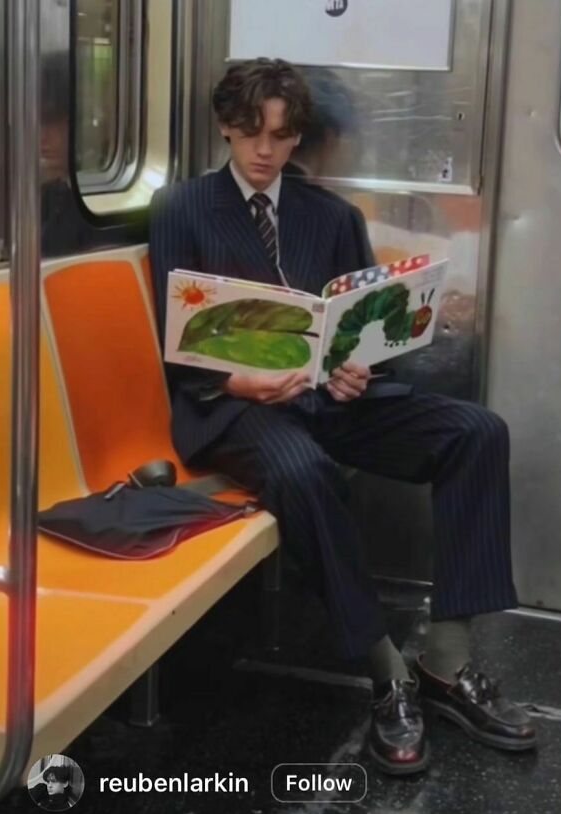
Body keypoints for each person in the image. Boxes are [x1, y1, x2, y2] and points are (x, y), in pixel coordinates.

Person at [150, 57, 536, 775]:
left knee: (478, 432)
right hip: (236, 407)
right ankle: (386, 670)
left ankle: (446, 664)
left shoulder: (330, 216)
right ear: (225, 127)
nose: (266, 151)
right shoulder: (183, 209)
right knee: (306, 468)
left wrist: (360, 365)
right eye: (251, 133)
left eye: (282, 135)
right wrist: (245, 379)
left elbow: (361, 336)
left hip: (327, 395)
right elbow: (175, 350)